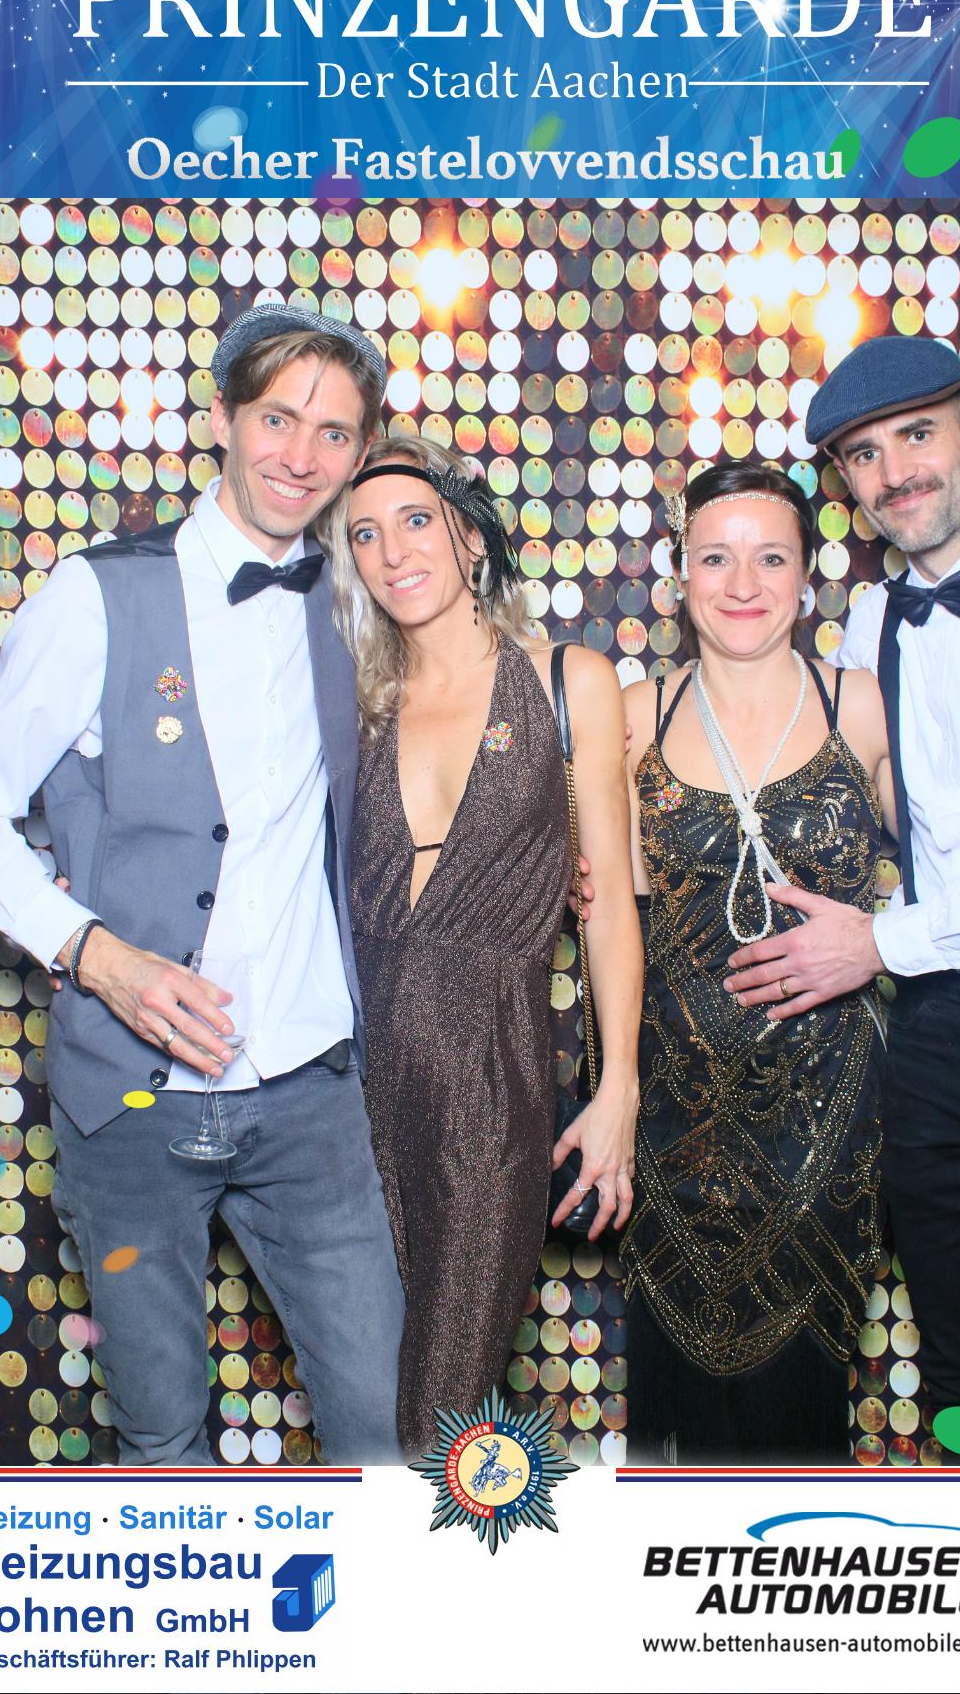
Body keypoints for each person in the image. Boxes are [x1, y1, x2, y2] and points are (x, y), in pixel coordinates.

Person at [0, 304, 407, 1465]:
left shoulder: (365, 602)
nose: (301, 455)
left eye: (335, 433)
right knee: (161, 1440)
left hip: (311, 1091)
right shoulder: (98, 594)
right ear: (223, 420)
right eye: (278, 419)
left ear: (361, 451)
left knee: (388, 1435)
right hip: (130, 1102)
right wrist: (95, 955)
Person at [723, 336, 960, 1463]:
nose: (896, 472)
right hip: (939, 1038)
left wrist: (883, 942)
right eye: (864, 454)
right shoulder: (867, 628)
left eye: (917, 435)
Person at [321, 436, 643, 1459]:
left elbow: (609, 903)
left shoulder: (566, 680)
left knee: (437, 1416)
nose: (392, 552)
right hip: (339, 1102)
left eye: (416, 521)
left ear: (470, 537)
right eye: (364, 535)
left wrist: (620, 1089)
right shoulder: (349, 702)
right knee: (365, 1416)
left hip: (488, 1093)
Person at [620, 460, 895, 1464]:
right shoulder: (634, 713)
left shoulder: (859, 704)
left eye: (771, 558)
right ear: (680, 575)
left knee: (798, 1423)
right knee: (679, 1428)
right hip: (674, 1125)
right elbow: (602, 912)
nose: (743, 584)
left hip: (826, 1126)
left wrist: (879, 936)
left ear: (808, 578)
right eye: (717, 558)